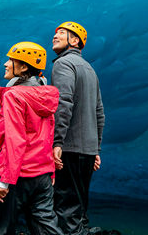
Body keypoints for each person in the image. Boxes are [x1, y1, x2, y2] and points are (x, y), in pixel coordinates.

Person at [0, 42, 62, 235]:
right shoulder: (47, 95)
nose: (5, 64)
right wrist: (51, 172)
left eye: (11, 60)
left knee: (1, 230)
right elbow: (48, 136)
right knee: (46, 228)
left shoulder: (14, 96)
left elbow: (15, 140)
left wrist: (5, 181)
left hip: (18, 175)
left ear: (23, 67)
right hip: (43, 175)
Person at [49, 21, 105, 235]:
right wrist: (96, 150)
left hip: (69, 148)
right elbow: (100, 112)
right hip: (87, 150)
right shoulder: (90, 69)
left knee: (65, 207)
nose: (55, 36)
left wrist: (57, 141)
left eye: (62, 33)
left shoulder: (63, 64)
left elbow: (63, 102)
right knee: (79, 206)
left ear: (75, 41)